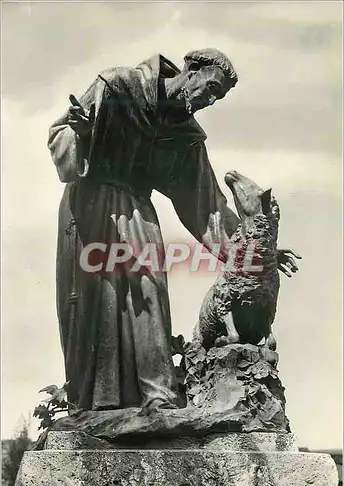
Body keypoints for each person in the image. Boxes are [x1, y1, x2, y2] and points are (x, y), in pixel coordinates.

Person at [48, 48, 300, 413]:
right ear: (191, 70)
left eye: (218, 97)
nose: (210, 100)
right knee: (92, 304)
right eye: (210, 88)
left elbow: (208, 207)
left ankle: (158, 396)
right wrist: (81, 133)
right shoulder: (119, 86)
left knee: (150, 289)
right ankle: (92, 406)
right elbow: (62, 139)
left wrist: (257, 252)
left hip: (136, 209)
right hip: (90, 204)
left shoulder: (185, 136)